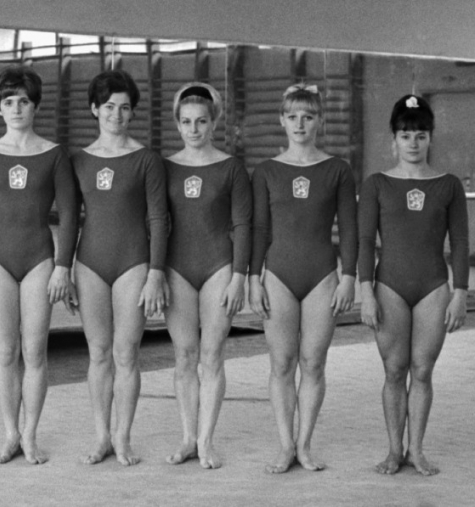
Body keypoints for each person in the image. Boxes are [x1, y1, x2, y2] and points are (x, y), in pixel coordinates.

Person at [0, 65, 78, 465]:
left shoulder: (53, 154)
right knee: (6, 351)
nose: (16, 109)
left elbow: (69, 214)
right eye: (9, 102)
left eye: (24, 101)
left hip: (39, 258)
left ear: (36, 106)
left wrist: (63, 266)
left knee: (35, 351)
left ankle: (30, 434)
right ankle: (10, 431)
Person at [249, 83, 357, 473]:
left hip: (322, 276)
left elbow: (349, 228)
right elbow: (260, 229)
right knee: (281, 363)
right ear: (281, 120)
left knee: (313, 363)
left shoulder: (338, 170)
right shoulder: (266, 171)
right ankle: (285, 445)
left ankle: (305, 444)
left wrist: (349, 277)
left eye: (308, 117)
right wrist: (253, 277)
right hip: (278, 275)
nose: (300, 124)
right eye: (293, 116)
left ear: (320, 121)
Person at [359, 94, 468, 476]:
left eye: (421, 135)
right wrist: (365, 292)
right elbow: (365, 242)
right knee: (394, 370)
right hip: (389, 284)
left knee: (422, 370)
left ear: (430, 138)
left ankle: (416, 450)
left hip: (433, 286)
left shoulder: (449, 185)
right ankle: (394, 450)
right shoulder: (377, 184)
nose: (413, 142)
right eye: (406, 135)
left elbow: (460, 243)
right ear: (394, 139)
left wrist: (459, 293)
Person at [71, 70, 169, 466]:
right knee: (98, 352)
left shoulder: (146, 160)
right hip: (90, 263)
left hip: (133, 263)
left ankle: (123, 436)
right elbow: (69, 220)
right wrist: (64, 268)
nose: (117, 115)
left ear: (133, 112)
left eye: (125, 108)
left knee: (126, 353)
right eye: (109, 106)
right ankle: (101, 436)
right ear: (94, 109)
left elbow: (159, 219)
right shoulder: (79, 160)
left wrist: (156, 273)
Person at [162, 82, 252, 468]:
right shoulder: (165, 167)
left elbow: (243, 225)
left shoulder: (231, 168)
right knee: (185, 355)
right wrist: (154, 273)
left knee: (212, 354)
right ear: (177, 124)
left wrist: (239, 276)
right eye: (186, 122)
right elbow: (155, 223)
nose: (193, 129)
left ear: (214, 122)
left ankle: (206, 441)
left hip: (219, 266)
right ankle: (187, 437)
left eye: (201, 121)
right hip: (176, 267)